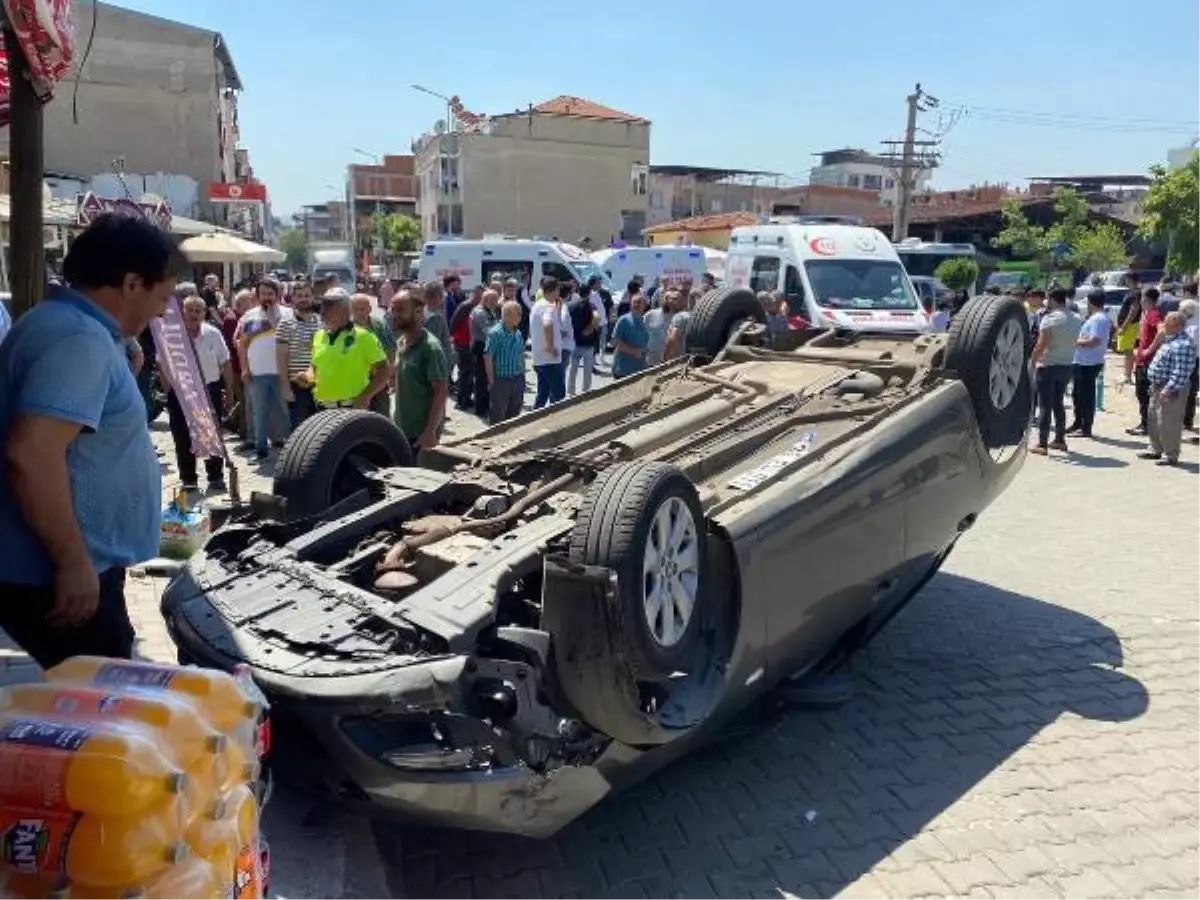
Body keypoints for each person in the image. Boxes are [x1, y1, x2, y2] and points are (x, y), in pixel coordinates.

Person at [0, 213, 184, 668]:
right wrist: (72, 562)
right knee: (106, 709)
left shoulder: (69, 328)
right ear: (131, 284)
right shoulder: (76, 340)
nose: (162, 311)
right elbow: (31, 454)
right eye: (161, 297)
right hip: (58, 574)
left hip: (64, 567)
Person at [161, 296, 235, 492]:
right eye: (189, 309)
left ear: (204, 313)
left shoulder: (213, 334)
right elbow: (163, 365)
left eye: (198, 310)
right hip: (181, 392)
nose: (194, 314)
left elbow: (225, 363)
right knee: (182, 436)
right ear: (182, 311)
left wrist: (229, 390)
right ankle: (189, 479)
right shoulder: (172, 335)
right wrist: (169, 392)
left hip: (209, 390)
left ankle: (216, 477)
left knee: (211, 433)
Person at [236, 279, 292, 459]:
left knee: (286, 411)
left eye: (270, 293)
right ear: (258, 296)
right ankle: (261, 449)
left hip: (282, 372)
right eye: (263, 294)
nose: (267, 297)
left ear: (277, 295)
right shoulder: (249, 316)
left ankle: (292, 448)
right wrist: (245, 368)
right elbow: (242, 344)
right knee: (259, 411)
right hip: (257, 372)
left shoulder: (288, 314)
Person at [309, 290, 390, 410]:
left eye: (329, 306)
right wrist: (306, 377)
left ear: (345, 310)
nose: (323, 311)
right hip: (322, 409)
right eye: (323, 306)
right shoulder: (319, 336)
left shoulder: (363, 336)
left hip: (351, 409)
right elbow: (315, 369)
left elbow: (384, 369)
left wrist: (365, 396)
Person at [390, 288, 449, 449]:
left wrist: (430, 431)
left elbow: (441, 392)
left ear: (417, 312)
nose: (394, 314)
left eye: (400, 309)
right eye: (393, 309)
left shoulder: (431, 348)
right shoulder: (401, 342)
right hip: (402, 428)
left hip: (421, 434)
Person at [1028, 288, 1082, 456]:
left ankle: (1042, 443)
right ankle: (1060, 440)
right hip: (1067, 365)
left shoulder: (1049, 319)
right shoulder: (1077, 318)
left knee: (1044, 405)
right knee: (1058, 404)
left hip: (1048, 365)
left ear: (1052, 300)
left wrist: (1032, 362)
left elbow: (1041, 344)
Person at [1139, 312, 1197, 466]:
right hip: (1159, 385)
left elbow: (1181, 370)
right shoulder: (1170, 340)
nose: (1163, 326)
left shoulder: (1183, 344)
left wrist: (1169, 388)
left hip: (1171, 387)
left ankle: (1170, 454)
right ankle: (1155, 449)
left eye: (1167, 324)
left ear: (1177, 326)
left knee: (1169, 421)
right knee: (1154, 418)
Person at [1066, 289, 1112, 439]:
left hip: (1089, 362)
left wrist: (1074, 342)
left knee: (1086, 396)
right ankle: (1078, 422)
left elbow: (1095, 340)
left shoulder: (1099, 319)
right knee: (1077, 394)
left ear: (1090, 302)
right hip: (1082, 360)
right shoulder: (1096, 317)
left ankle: (1086, 427)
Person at [275, 280, 321, 427]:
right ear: (293, 298)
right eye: (299, 296)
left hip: (319, 385)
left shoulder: (321, 323)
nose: (303, 299)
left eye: (307, 295)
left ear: (313, 297)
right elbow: (281, 357)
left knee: (318, 428)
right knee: (299, 429)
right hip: (296, 385)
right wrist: (285, 387)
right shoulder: (285, 323)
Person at [1128, 288, 1166, 437]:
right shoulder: (1150, 313)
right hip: (1143, 360)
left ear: (1145, 299)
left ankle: (1147, 425)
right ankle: (1145, 423)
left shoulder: (1153, 314)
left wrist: (1149, 350)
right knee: (1143, 394)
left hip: (1147, 362)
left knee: (1143, 393)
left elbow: (1162, 331)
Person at [350, 292, 395, 416]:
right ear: (350, 310)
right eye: (356, 309)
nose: (359, 312)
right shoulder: (346, 328)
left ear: (370, 309)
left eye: (363, 309)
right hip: (357, 381)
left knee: (382, 414)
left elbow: (390, 349)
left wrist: (391, 375)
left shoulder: (379, 324)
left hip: (379, 378)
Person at [484, 300, 526, 425]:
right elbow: (488, 357)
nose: (520, 316)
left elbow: (521, 354)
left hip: (517, 378)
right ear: (506, 315)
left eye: (519, 313)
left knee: (514, 414)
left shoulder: (517, 333)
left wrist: (522, 374)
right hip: (501, 379)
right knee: (498, 414)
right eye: (516, 314)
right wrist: (491, 380)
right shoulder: (495, 333)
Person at [530, 278, 565, 408]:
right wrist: (550, 347)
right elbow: (547, 323)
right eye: (558, 289)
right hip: (550, 359)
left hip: (540, 358)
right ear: (555, 289)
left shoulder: (537, 305)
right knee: (559, 396)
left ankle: (533, 421)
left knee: (542, 394)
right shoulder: (548, 307)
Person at [449, 284, 481, 411]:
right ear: (474, 294)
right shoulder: (465, 306)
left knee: (470, 373)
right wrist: (454, 339)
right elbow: (453, 324)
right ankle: (461, 401)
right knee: (464, 372)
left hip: (471, 344)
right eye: (478, 294)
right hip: (462, 344)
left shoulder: (478, 307)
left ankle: (467, 398)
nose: (480, 297)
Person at [468, 288, 499, 416]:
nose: (496, 303)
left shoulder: (488, 310)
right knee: (481, 379)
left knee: (486, 378)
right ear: (486, 299)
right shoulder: (480, 312)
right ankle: (480, 409)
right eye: (493, 300)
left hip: (485, 346)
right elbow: (489, 331)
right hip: (481, 347)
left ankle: (485, 405)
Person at [567, 285, 599, 396]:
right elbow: (597, 318)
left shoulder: (570, 306)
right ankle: (585, 392)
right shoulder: (592, 307)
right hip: (588, 343)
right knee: (587, 369)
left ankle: (571, 392)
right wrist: (589, 328)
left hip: (574, 342)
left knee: (573, 368)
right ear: (589, 293)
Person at [420, 281, 456, 378]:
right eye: (442, 296)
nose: (444, 299)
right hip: (436, 370)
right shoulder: (436, 318)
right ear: (437, 297)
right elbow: (434, 346)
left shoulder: (421, 313)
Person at [612, 293, 650, 379]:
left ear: (645, 305)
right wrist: (633, 351)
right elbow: (615, 341)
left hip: (640, 369)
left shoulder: (644, 320)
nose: (637, 304)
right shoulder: (624, 320)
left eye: (640, 302)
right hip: (623, 370)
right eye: (635, 302)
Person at [1114, 278, 1142, 384]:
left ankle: (1128, 376)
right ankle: (1126, 373)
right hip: (1127, 326)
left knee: (1128, 351)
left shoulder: (1135, 292)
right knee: (1127, 351)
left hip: (1130, 326)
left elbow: (1133, 310)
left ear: (1130, 279)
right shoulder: (1132, 292)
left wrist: (1124, 327)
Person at [643, 290, 678, 367]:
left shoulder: (679, 317)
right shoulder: (650, 315)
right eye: (667, 298)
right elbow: (641, 334)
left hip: (670, 362)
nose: (670, 301)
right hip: (649, 361)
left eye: (674, 299)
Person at [1181, 294, 1200, 432]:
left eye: (1181, 310)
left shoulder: (1193, 327)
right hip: (1191, 359)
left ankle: (1186, 420)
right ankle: (1186, 420)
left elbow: (1190, 346)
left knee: (1188, 390)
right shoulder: (1191, 323)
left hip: (1191, 360)